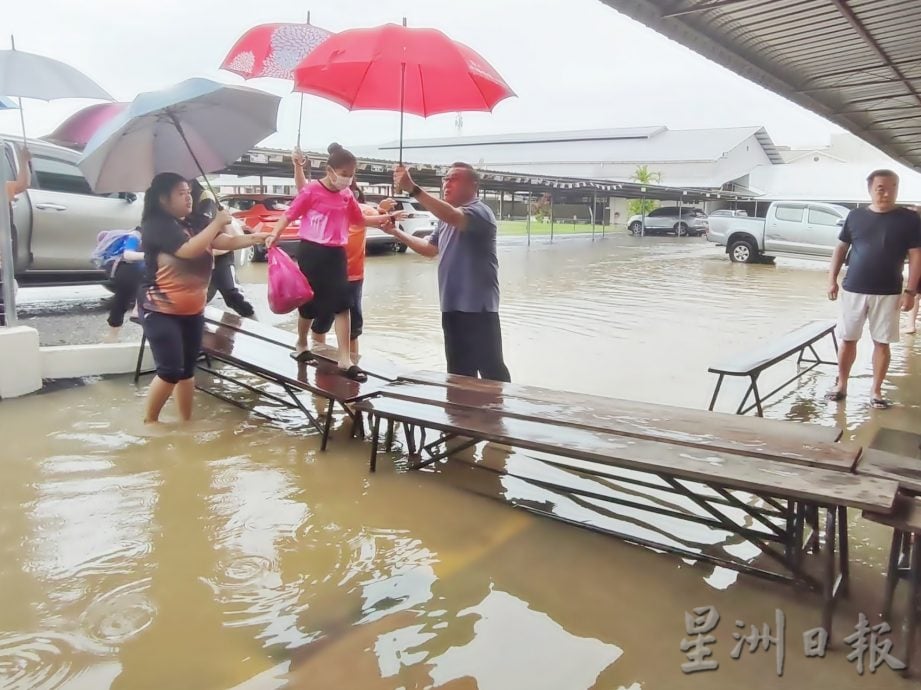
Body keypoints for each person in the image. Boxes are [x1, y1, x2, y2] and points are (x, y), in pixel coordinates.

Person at [139, 173, 268, 424]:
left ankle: (185, 422)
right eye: (181, 193)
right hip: (161, 310)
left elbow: (226, 242)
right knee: (170, 371)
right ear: (163, 199)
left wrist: (257, 238)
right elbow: (188, 250)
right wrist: (216, 222)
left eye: (189, 192)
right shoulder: (156, 226)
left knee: (187, 371)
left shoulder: (196, 221)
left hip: (192, 311)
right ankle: (150, 422)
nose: (188, 197)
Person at [266, 143, 398, 382]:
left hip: (337, 253)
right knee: (308, 303)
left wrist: (386, 218)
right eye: (344, 174)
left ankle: (345, 358)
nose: (348, 180)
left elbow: (358, 220)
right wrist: (274, 234)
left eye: (351, 174)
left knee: (343, 303)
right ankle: (302, 343)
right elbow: (290, 214)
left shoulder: (347, 195)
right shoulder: (311, 191)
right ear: (330, 171)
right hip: (311, 251)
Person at [387, 162, 511, 382]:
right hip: (451, 307)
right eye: (445, 179)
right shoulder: (445, 220)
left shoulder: (480, 212)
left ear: (473, 185)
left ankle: (500, 414)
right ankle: (462, 415)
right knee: (458, 373)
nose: (446, 183)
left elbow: (456, 217)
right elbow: (429, 248)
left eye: (454, 178)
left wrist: (413, 188)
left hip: (478, 309)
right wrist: (395, 231)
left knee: (492, 373)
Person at [826, 169, 921, 409]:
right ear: (870, 189)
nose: (887, 193)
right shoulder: (855, 216)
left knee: (882, 342)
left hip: (889, 292)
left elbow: (916, 256)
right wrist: (832, 279)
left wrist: (910, 292)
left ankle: (876, 391)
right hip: (853, 289)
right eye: (881, 188)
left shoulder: (909, 220)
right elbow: (840, 249)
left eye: (893, 187)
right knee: (848, 338)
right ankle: (842, 385)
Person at [191, 179, 256, 318]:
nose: (185, 197)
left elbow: (221, 236)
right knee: (193, 302)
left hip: (218, 255)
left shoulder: (205, 198)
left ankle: (260, 332)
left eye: (186, 190)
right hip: (194, 260)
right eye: (179, 192)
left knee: (233, 295)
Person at [1, 144, 30, 326]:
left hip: (3, 251)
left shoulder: (4, 188)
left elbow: (23, 184)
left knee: (5, 289)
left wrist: (23, 160)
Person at [104, 228, 145, 342]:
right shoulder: (136, 235)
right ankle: (112, 335)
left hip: (142, 271)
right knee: (122, 299)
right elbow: (128, 254)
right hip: (126, 269)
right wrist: (149, 255)